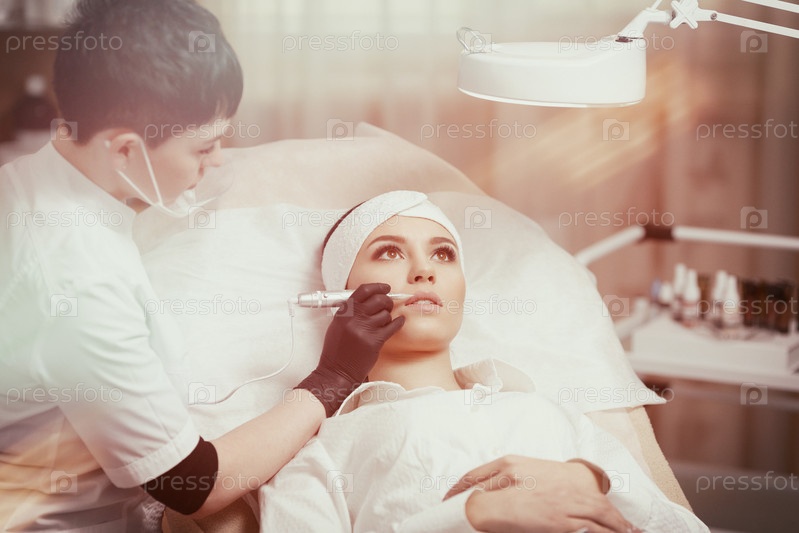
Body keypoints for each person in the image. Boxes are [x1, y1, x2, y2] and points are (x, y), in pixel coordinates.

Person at [0, 1, 403, 530]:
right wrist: (334, 377)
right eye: (204, 147)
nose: (218, 161)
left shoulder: (25, 182)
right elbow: (191, 485)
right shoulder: (79, 282)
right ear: (124, 151)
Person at [259, 190, 710, 532]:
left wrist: (595, 483)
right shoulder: (325, 454)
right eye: (389, 252)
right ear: (343, 298)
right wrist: (468, 516)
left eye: (443, 253)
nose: (424, 271)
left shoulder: (552, 415)